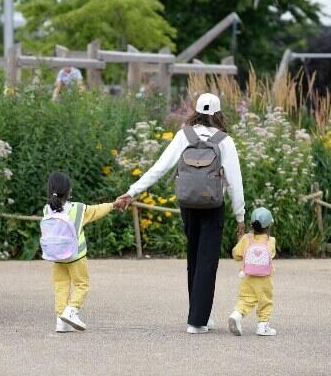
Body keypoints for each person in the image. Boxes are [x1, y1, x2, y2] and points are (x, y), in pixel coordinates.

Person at [115, 93, 246, 334]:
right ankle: (198, 320)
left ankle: (197, 315)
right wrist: (240, 216)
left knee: (194, 259)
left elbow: (159, 168)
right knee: (208, 263)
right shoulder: (224, 140)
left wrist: (131, 192)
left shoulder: (183, 136)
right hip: (213, 206)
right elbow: (235, 183)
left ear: (195, 111)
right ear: (218, 114)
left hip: (188, 204)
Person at [44, 171, 119, 332]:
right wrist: (113, 205)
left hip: (56, 257)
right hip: (75, 256)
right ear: (69, 191)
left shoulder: (47, 210)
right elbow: (97, 210)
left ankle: (60, 321)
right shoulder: (78, 209)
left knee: (60, 285)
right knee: (82, 284)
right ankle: (71, 310)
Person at [228, 207, 277, 336]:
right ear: (269, 225)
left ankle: (237, 314)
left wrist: (241, 242)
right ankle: (263, 326)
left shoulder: (246, 239)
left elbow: (236, 254)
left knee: (246, 298)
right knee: (265, 300)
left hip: (247, 276)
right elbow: (271, 255)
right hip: (264, 279)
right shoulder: (271, 241)